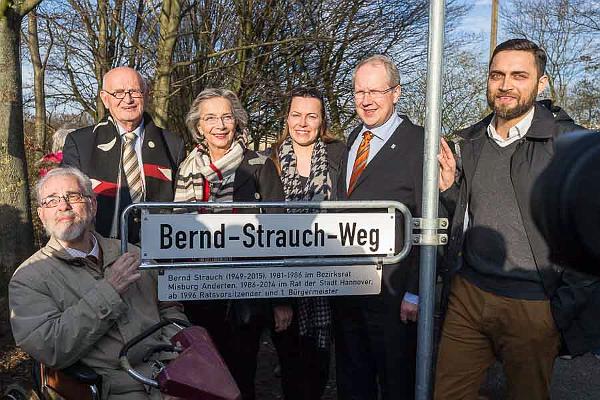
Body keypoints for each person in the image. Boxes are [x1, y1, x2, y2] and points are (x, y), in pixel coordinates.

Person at [435, 38, 588, 399]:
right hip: (468, 297)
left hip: (533, 304)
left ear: (541, 83)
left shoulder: (570, 143)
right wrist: (449, 190)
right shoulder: (470, 141)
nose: (505, 85)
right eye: (497, 75)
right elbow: (476, 214)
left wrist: (558, 313)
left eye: (519, 75)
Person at [9, 167, 187, 399]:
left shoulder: (133, 253)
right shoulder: (29, 277)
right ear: (42, 214)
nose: (64, 206)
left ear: (93, 205)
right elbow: (51, 348)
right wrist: (110, 290)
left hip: (171, 377)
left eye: (73, 196)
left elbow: (170, 308)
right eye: (52, 201)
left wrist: (177, 352)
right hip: (109, 390)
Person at [174, 88, 286, 400]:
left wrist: (280, 299)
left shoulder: (259, 165)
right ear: (199, 126)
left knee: (240, 377)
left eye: (227, 117)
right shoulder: (186, 169)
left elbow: (280, 235)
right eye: (210, 118)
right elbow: (175, 231)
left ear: (237, 122)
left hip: (244, 291)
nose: (220, 125)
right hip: (197, 289)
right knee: (202, 375)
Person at [333, 54, 424, 400]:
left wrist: (416, 290)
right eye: (359, 92)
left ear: (396, 93)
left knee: (396, 383)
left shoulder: (419, 142)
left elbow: (428, 222)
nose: (366, 100)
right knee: (353, 382)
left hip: (394, 295)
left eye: (375, 91)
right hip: (348, 290)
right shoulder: (353, 138)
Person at [268, 87, 346, 399]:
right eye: (296, 115)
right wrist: (279, 298)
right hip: (284, 285)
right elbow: (264, 232)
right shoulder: (268, 162)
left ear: (322, 121)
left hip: (327, 286)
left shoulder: (339, 156)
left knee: (318, 369)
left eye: (311, 115)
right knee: (290, 369)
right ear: (286, 119)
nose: (303, 122)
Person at [62, 66, 185, 241]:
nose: (128, 99)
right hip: (100, 252)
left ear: (145, 94)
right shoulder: (80, 143)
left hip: (159, 249)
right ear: (105, 99)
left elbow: (182, 206)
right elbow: (69, 202)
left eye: (134, 91)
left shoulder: (173, 144)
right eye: (118, 93)